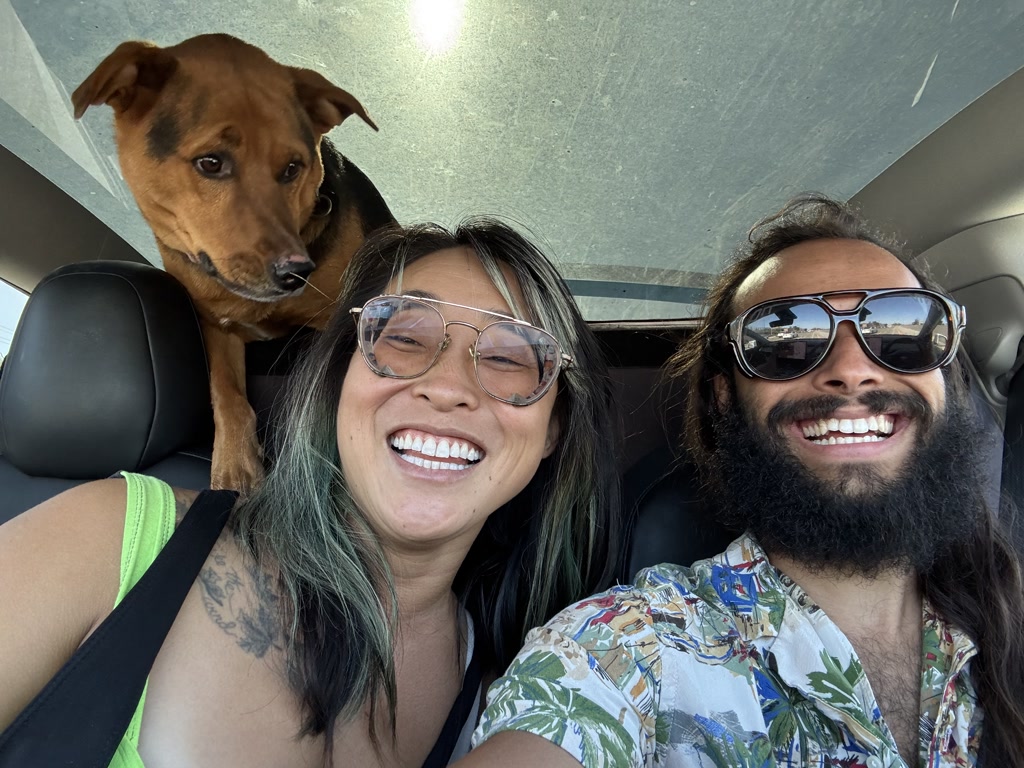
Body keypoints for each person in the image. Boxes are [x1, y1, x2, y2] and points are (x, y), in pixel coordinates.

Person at [0, 218, 621, 766]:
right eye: (403, 336)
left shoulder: (509, 704)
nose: (448, 385)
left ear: (552, 431)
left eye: (512, 356)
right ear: (339, 381)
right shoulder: (109, 539)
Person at [460, 195, 1024, 767]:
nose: (853, 369)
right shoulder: (627, 648)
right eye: (785, 341)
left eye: (901, 330)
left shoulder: (1007, 618)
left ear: (945, 375)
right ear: (724, 396)